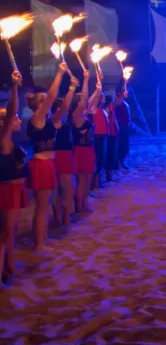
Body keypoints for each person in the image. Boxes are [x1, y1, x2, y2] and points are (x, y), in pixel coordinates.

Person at [25, 62, 68, 251]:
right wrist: (59, 73)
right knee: (42, 206)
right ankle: (38, 243)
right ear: (38, 104)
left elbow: (62, 106)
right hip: (40, 164)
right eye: (43, 101)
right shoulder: (36, 117)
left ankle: (42, 239)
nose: (48, 103)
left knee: (45, 204)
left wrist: (72, 87)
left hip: (48, 163)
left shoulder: (46, 119)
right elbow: (51, 96)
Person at [0, 71, 25, 286]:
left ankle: (9, 266)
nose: (18, 119)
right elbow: (11, 112)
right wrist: (15, 87)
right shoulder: (2, 139)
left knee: (11, 231)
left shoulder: (10, 139)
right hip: (5, 191)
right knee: (3, 235)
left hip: (15, 191)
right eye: (13, 118)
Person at [72, 71, 102, 213]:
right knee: (82, 180)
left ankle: (84, 204)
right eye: (81, 101)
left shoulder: (84, 114)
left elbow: (92, 101)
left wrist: (98, 89)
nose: (85, 103)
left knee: (87, 179)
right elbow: (86, 100)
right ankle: (80, 206)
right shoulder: (76, 116)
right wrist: (85, 80)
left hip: (88, 149)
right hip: (81, 150)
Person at [52, 76, 79, 228]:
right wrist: (72, 88)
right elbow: (64, 108)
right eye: (63, 106)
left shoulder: (64, 121)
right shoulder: (54, 120)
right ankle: (61, 217)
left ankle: (64, 216)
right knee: (63, 189)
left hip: (65, 155)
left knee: (65, 190)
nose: (67, 108)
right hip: (59, 156)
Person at [114, 82, 131, 170]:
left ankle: (122, 161)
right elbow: (117, 104)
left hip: (125, 126)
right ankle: (119, 162)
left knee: (125, 144)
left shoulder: (124, 102)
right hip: (120, 126)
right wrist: (122, 93)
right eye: (125, 92)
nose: (127, 93)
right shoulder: (117, 101)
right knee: (121, 144)